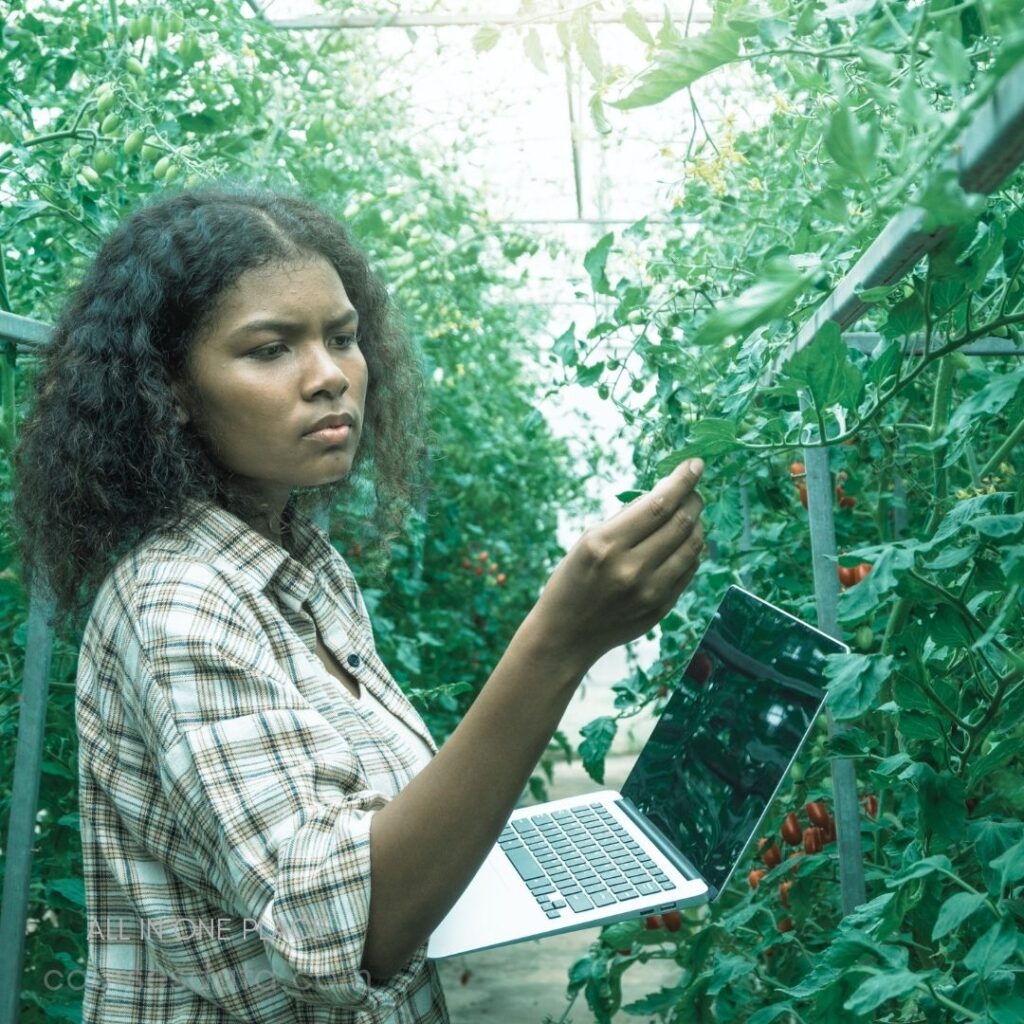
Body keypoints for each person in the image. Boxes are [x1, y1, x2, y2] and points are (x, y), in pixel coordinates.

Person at [12, 185, 706, 1024]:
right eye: (271, 350)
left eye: (342, 338)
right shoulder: (177, 601)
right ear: (171, 392)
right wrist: (557, 644)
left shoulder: (302, 565)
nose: (330, 376)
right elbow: (348, 928)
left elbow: (359, 837)